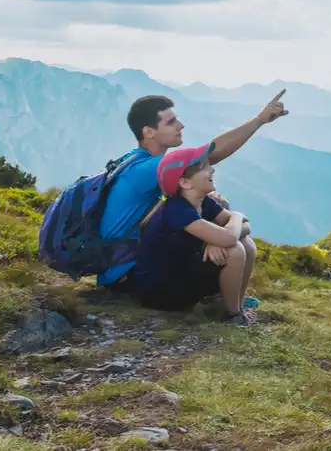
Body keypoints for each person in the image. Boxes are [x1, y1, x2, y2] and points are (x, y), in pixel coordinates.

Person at [96, 90, 288, 307]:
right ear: (149, 132)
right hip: (130, 272)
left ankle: (228, 296)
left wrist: (214, 236)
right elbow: (211, 154)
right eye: (171, 122)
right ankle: (227, 305)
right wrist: (259, 120)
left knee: (225, 218)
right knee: (227, 234)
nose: (181, 125)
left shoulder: (136, 160)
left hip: (135, 259)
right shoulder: (149, 168)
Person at [128, 144, 253, 325]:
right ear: (185, 183)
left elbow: (245, 228)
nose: (212, 169)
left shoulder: (204, 202)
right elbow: (230, 236)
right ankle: (232, 316)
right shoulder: (176, 209)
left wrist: (217, 238)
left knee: (247, 243)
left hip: (181, 275)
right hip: (161, 294)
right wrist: (237, 216)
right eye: (204, 167)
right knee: (235, 250)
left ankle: (235, 307)